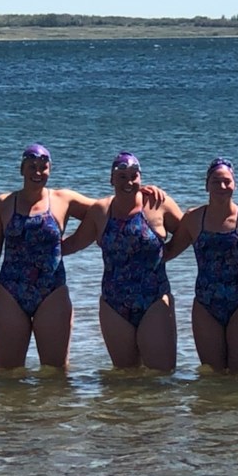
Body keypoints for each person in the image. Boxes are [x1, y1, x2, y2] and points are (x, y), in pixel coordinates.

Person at [0, 143, 167, 370]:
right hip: (10, 292)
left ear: (50, 169)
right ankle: (16, 408)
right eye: (31, 166)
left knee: (55, 374)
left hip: (52, 292)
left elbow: (110, 208)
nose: (37, 172)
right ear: (22, 169)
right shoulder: (4, 204)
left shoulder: (63, 199)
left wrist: (138, 190)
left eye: (43, 167)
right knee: (8, 373)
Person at [61, 152, 183, 372]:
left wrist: (168, 253)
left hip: (154, 300)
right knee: (123, 380)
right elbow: (74, 243)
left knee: (162, 376)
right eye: (122, 176)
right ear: (111, 179)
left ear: (140, 177)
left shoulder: (158, 204)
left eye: (134, 176)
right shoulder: (100, 211)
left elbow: (190, 232)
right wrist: (32, 247)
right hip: (113, 304)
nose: (128, 181)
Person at [163, 158, 238, 374]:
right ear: (206, 185)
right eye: (215, 182)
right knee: (211, 375)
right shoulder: (193, 219)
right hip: (206, 303)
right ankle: (213, 409)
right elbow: (167, 252)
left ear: (235, 184)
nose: (222, 187)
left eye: (227, 181)